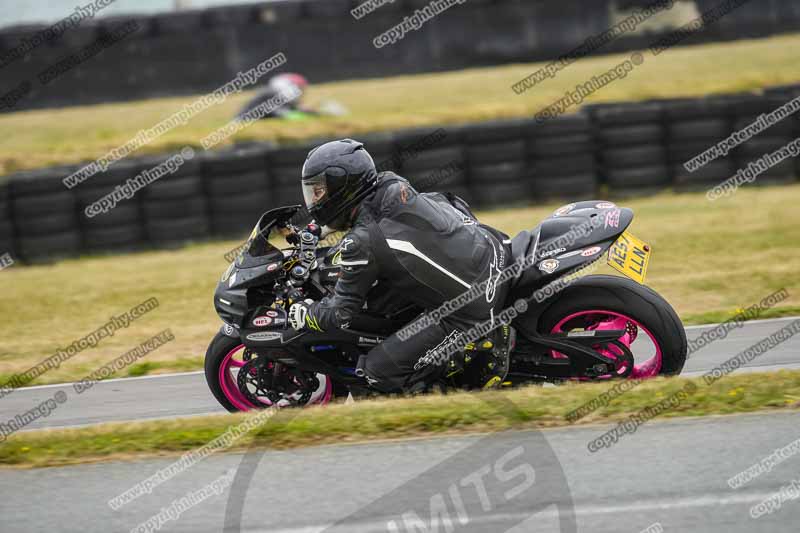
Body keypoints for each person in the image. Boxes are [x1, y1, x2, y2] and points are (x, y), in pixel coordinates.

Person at [287, 139, 514, 393]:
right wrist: (318, 230)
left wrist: (305, 314)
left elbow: (339, 314)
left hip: (472, 309)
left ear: (343, 187)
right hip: (493, 249)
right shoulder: (392, 184)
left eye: (319, 191)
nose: (314, 199)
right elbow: (368, 216)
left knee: (376, 372)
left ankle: (470, 364)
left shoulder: (360, 243)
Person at [235, 73, 316, 120]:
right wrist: (305, 114)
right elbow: (283, 114)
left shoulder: (273, 94)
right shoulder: (269, 95)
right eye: (299, 89)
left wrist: (305, 111)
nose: (300, 93)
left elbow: (288, 109)